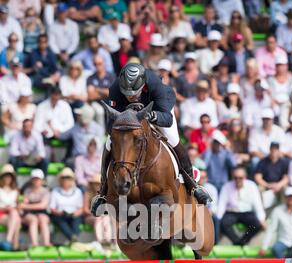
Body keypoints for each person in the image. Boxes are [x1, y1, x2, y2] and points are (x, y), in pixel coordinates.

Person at [91, 62, 212, 215]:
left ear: (142, 85)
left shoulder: (157, 86)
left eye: (134, 92)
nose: (130, 96)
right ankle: (103, 191)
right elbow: (110, 124)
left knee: (173, 139)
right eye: (126, 93)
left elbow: (167, 118)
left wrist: (153, 116)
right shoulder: (116, 88)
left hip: (158, 113)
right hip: (127, 120)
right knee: (109, 143)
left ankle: (193, 186)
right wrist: (124, 123)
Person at [218, 165, 265, 246]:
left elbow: (258, 204)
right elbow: (221, 205)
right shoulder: (227, 186)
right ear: (233, 177)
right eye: (235, 177)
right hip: (231, 212)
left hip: (247, 213)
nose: (238, 180)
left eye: (240, 177)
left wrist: (261, 219)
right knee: (223, 224)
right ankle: (237, 242)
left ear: (245, 177)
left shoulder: (252, 186)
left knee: (256, 225)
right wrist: (218, 219)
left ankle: (243, 241)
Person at [260, 186, 292, 259]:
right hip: (283, 241)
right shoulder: (277, 210)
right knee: (276, 249)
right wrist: (264, 247)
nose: (291, 199)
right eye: (289, 196)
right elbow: (271, 229)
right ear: (285, 197)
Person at [50, 167, 83, 244]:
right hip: (60, 214)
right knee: (60, 220)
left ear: (72, 180)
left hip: (74, 214)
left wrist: (74, 214)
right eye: (64, 178)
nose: (66, 180)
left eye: (68, 178)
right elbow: (52, 208)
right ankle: (73, 238)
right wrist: (60, 213)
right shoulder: (55, 191)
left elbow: (80, 208)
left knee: (77, 220)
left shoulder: (77, 191)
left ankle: (73, 239)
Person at [19, 169, 51, 247]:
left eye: (38, 179)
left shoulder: (46, 191)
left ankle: (46, 242)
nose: (36, 181)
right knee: (33, 220)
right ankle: (34, 243)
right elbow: (23, 204)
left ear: (42, 180)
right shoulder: (27, 190)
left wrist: (27, 206)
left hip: (41, 212)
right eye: (34, 179)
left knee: (43, 219)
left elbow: (42, 206)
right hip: (30, 214)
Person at [84, 174, 115, 250]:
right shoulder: (87, 194)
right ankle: (100, 240)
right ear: (92, 184)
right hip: (90, 217)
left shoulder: (105, 195)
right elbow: (85, 209)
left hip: (103, 216)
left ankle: (108, 240)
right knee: (99, 219)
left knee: (107, 218)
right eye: (95, 184)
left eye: (98, 184)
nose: (97, 186)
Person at [254, 142, 289, 208]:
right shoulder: (263, 161)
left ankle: (283, 208)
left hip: (279, 184)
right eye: (272, 150)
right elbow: (258, 177)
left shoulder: (283, 162)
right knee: (259, 189)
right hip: (266, 184)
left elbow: (286, 178)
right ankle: (261, 209)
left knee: (285, 188)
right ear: (270, 150)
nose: (274, 152)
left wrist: (278, 185)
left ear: (279, 151)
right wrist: (268, 185)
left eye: (276, 150)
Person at [0, 164, 21, 251]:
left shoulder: (16, 190)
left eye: (9, 176)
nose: (8, 178)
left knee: (16, 217)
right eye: (6, 176)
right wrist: (6, 208)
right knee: (17, 219)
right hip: (1, 213)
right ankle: (14, 244)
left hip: (12, 214)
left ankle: (10, 243)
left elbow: (17, 205)